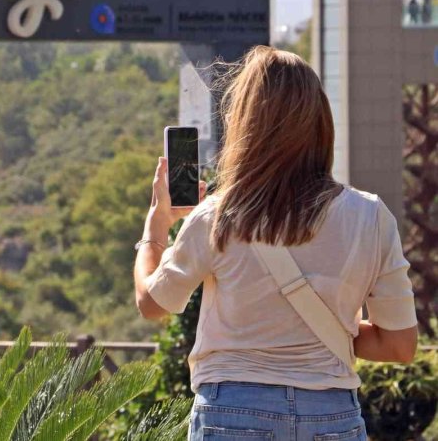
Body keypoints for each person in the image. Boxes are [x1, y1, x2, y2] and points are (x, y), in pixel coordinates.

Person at [133, 46, 418, 441]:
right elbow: (400, 346)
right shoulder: (370, 217)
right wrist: (325, 329)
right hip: (332, 414)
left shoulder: (216, 216)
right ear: (320, 121)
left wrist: (155, 226)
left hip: (232, 412)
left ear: (245, 124)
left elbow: (152, 304)